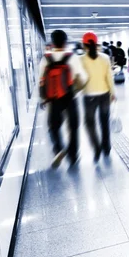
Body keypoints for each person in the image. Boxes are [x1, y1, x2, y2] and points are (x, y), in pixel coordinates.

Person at [39, 30, 87, 168]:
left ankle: (59, 149)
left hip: (53, 98)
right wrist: (78, 90)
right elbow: (82, 77)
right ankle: (73, 156)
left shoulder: (46, 58)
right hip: (70, 97)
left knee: (53, 127)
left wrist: (43, 98)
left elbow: (41, 80)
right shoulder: (72, 57)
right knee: (73, 127)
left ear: (52, 42)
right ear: (65, 42)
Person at [81, 32, 116, 162]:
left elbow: (79, 80)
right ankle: (106, 148)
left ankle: (96, 148)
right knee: (104, 122)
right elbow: (109, 77)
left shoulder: (81, 59)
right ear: (96, 44)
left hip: (89, 96)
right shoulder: (105, 58)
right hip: (104, 94)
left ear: (84, 45)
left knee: (90, 124)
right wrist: (113, 93)